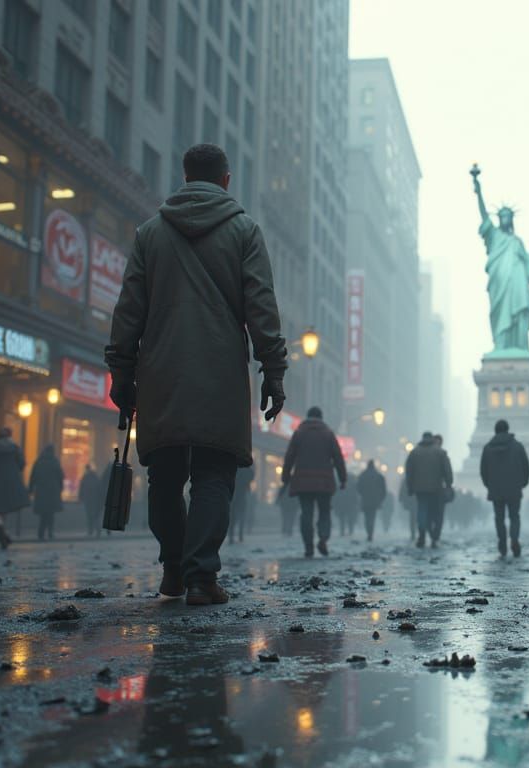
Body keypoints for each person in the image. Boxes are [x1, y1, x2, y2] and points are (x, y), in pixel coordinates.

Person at [106, 143, 287, 605]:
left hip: (160, 371)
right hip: (220, 373)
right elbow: (261, 305)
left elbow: (129, 309)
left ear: (184, 177)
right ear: (226, 180)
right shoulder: (245, 231)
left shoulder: (150, 233)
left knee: (164, 476)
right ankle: (202, 576)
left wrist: (122, 371)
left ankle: (172, 568)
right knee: (213, 477)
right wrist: (273, 369)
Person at [282, 407, 346, 556]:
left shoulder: (299, 433)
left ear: (308, 417)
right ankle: (323, 538)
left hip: (303, 481)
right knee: (324, 511)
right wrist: (342, 479)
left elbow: (290, 456)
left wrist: (285, 476)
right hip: (324, 480)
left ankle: (308, 546)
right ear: (321, 418)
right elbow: (338, 457)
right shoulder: (328, 434)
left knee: (306, 513)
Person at [480, 419, 529, 557]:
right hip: (514, 488)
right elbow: (526, 467)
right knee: (514, 517)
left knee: (499, 518)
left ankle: (502, 541)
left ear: (495, 430)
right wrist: (523, 483)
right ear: (508, 429)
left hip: (496, 489)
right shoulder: (518, 446)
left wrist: (489, 485)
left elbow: (483, 471)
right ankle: (514, 539)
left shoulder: (487, 448)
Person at [404, 431, 453, 548]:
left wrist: (410, 487)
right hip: (436, 488)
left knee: (422, 511)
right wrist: (448, 484)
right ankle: (434, 537)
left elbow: (409, 472)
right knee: (435, 513)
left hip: (419, 489)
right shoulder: (440, 452)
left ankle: (422, 534)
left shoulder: (414, 452)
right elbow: (447, 470)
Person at [0, 427, 28, 549]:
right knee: (6, 506)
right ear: (10, 435)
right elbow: (22, 463)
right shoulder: (15, 447)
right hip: (12, 481)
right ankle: (3, 533)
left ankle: (0, 529)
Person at [29, 445, 64, 541]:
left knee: (43, 514)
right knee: (50, 514)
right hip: (52, 492)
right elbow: (60, 476)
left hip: (41, 491)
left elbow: (33, 476)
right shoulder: (55, 461)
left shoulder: (39, 461)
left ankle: (41, 533)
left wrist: (30, 489)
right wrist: (60, 488)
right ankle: (50, 532)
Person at [356, 460, 387, 542]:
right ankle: (371, 532)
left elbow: (358, 488)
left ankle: (369, 532)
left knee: (367, 517)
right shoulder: (379, 476)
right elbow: (383, 490)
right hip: (375, 500)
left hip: (365, 499)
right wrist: (381, 498)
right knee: (372, 516)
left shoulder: (362, 475)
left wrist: (362, 494)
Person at [229, 464, 255, 544]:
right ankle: (238, 535)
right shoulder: (246, 469)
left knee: (234, 516)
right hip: (240, 494)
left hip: (234, 494)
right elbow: (251, 474)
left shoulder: (236, 468)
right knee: (240, 515)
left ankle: (232, 535)